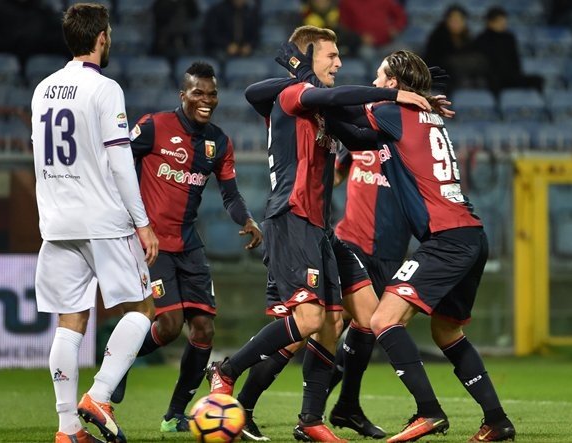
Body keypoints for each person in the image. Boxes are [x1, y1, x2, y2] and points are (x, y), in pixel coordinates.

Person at [205, 25, 433, 442]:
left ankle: (312, 419)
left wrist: (415, 118)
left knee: (350, 319)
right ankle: (227, 370)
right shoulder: (294, 95)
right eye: (331, 55)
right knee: (309, 319)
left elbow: (362, 136)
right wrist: (390, 95)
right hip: (292, 219)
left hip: (321, 229)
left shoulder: (321, 111)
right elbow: (325, 96)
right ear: (309, 58)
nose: (340, 63)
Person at [323, 49, 516, 442]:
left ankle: (428, 411)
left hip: (446, 239)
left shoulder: (392, 111)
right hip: (471, 234)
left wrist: (310, 102)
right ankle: (497, 420)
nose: (374, 84)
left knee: (382, 320)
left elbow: (341, 109)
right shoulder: (425, 117)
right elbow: (357, 137)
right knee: (446, 333)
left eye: (380, 77)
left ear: (393, 84)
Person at [109, 61, 263, 433]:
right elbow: (117, 165)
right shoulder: (153, 126)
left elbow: (230, 194)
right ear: (183, 95)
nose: (206, 100)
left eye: (212, 94)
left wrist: (247, 219)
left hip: (189, 243)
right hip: (152, 243)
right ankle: (118, 362)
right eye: (198, 93)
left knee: (204, 330)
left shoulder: (218, 142)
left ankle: (174, 415)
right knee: (169, 325)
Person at [30, 4, 159, 443]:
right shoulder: (105, 89)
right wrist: (142, 222)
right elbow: (120, 162)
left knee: (70, 322)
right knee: (142, 309)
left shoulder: (42, 89)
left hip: (57, 221)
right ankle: (99, 395)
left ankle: (67, 427)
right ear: (102, 37)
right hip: (103, 219)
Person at [473, 6, 544, 95]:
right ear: (490, 22)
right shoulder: (482, 39)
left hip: (511, 76)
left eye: (504, 21)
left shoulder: (509, 38)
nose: (503, 24)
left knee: (537, 80)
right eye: (499, 21)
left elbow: (515, 60)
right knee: (493, 82)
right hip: (492, 78)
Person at [424, 4, 487, 92]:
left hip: (464, 79)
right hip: (442, 79)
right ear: (447, 20)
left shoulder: (467, 37)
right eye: (453, 20)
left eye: (459, 20)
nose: (456, 23)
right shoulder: (437, 37)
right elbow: (435, 62)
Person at [338, 0, 407, 59]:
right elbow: (344, 28)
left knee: (404, 52)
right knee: (367, 54)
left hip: (388, 42)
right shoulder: (347, 2)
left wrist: (396, 28)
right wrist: (360, 38)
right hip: (364, 46)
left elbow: (401, 16)